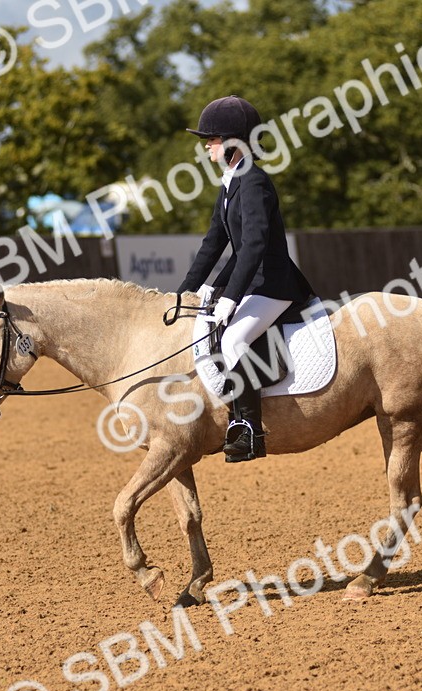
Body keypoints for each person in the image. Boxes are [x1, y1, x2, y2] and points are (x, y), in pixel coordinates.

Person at [176, 95, 314, 462]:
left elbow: (252, 246)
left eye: (213, 138)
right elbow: (213, 244)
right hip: (253, 282)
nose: (207, 144)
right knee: (209, 328)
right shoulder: (230, 183)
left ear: (234, 142)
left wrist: (228, 297)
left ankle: (249, 430)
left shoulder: (253, 181)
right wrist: (186, 291)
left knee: (235, 338)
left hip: (274, 284)